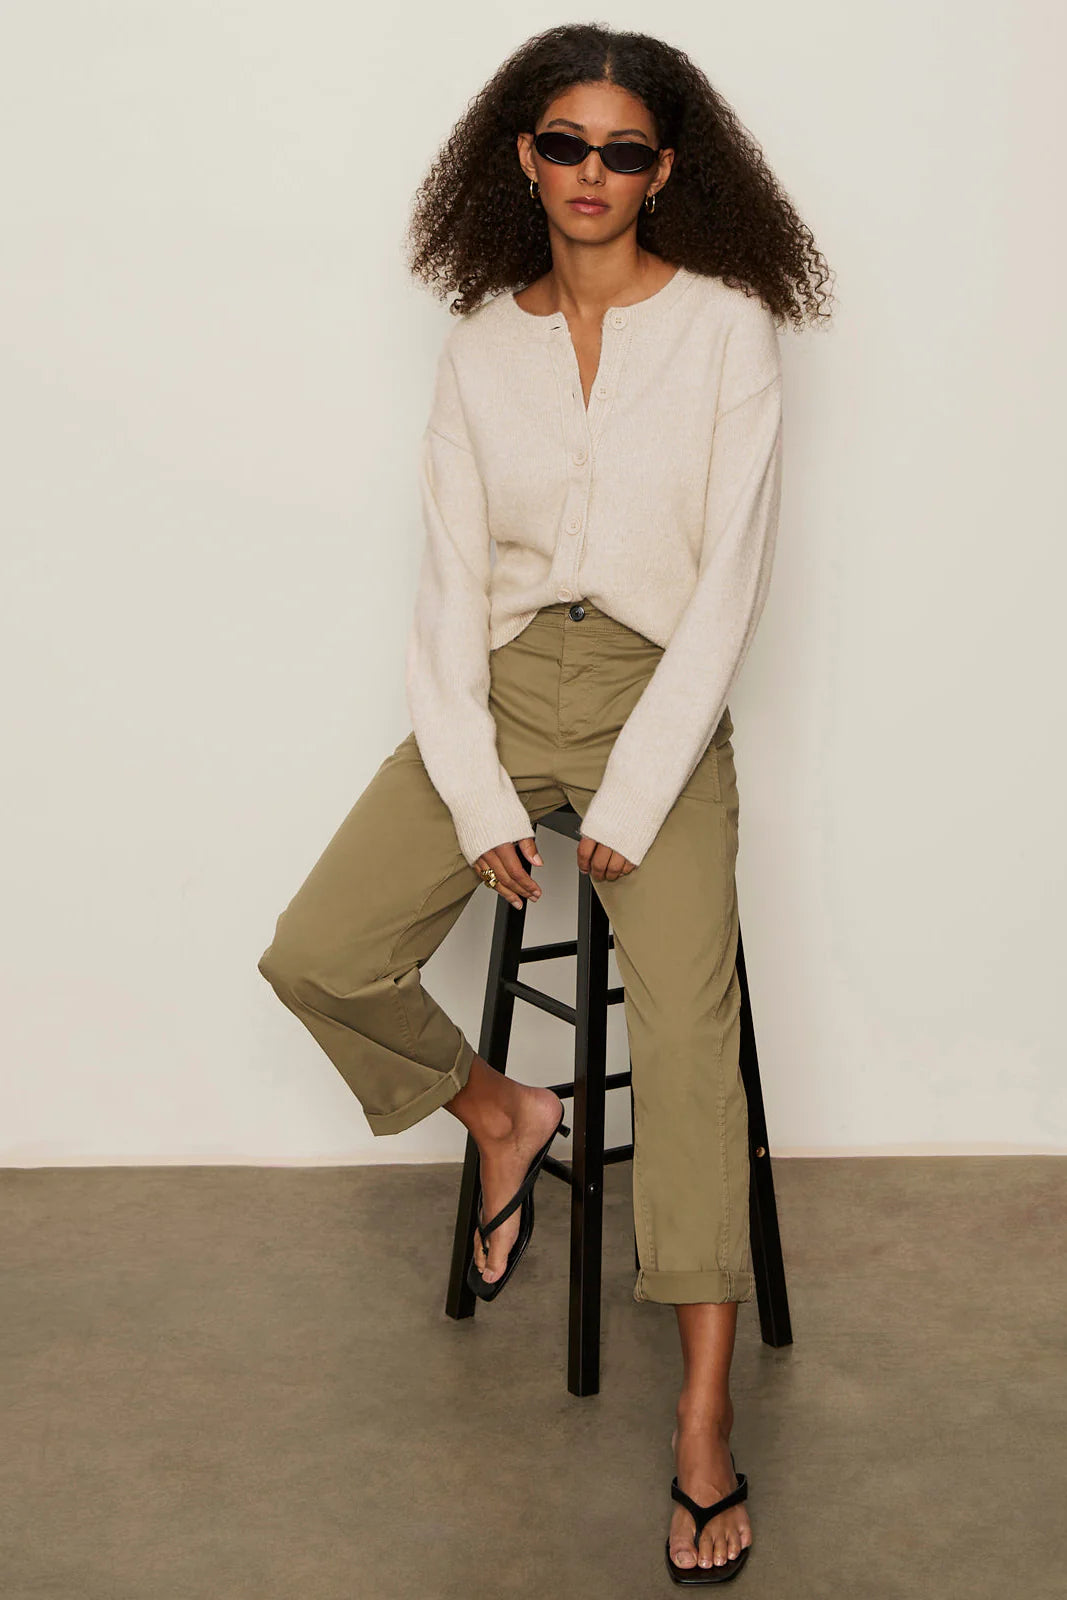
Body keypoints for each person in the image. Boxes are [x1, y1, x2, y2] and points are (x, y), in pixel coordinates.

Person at [257, 21, 832, 1584]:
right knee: (317, 952)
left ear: (665, 170)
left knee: (690, 1041)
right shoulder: (477, 348)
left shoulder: (726, 331)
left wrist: (635, 792)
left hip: (660, 699)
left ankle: (703, 1420)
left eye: (623, 150)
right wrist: (471, 787)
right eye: (566, 143)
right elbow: (447, 587)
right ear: (522, 155)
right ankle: (505, 1112)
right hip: (503, 691)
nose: (592, 172)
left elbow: (730, 588)